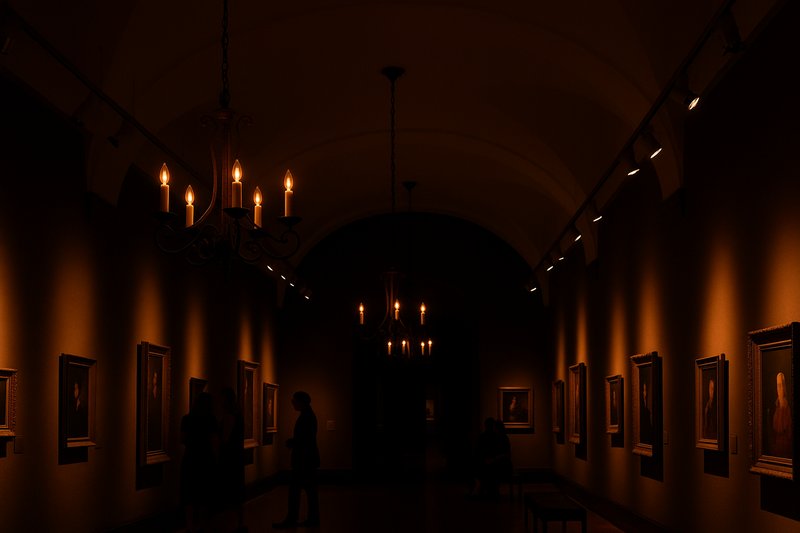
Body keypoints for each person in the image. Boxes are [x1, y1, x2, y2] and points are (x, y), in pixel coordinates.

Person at [273, 391, 320, 529]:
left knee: (295, 491)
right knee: (310, 492)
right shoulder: (308, 416)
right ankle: (312, 519)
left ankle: (292, 520)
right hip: (308, 460)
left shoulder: (306, 417)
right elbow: (307, 439)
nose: (292, 403)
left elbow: (304, 440)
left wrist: (293, 443)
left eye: (294, 400)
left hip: (304, 461)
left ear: (301, 401)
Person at [180, 391, 217, 533]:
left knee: (188, 493)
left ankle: (189, 525)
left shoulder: (186, 419)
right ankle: (202, 525)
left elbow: (182, 439)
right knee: (203, 494)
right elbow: (214, 442)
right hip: (205, 459)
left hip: (189, 458)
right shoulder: (211, 420)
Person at [218, 387, 247, 533]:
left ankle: (230, 525)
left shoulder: (230, 415)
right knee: (237, 492)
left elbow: (225, 438)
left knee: (230, 492)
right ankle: (240, 523)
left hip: (229, 458)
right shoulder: (239, 414)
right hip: (237, 456)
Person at [771, 372, 792, 457]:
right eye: (778, 386)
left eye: (782, 385)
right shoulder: (776, 406)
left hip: (785, 447)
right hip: (777, 446)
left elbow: (789, 433)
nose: (781, 389)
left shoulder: (787, 408)